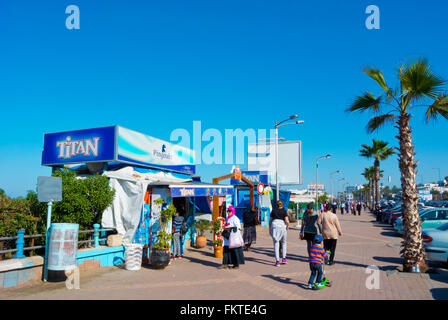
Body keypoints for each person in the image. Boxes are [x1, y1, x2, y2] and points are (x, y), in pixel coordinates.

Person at [269, 200, 289, 267]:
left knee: (276, 243)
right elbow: (287, 221)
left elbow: (270, 220)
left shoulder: (273, 211)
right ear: (282, 205)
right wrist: (287, 227)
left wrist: (269, 228)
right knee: (284, 243)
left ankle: (277, 261)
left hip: (275, 227)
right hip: (282, 227)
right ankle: (284, 258)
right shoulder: (284, 211)